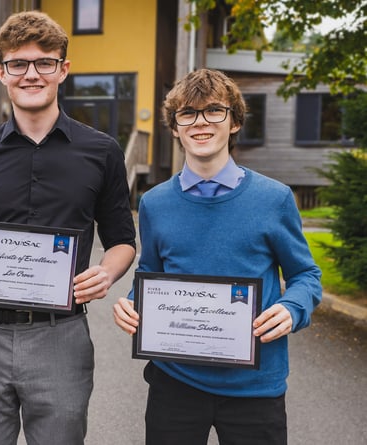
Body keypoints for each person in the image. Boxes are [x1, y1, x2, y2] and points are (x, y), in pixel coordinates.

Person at [0, 11, 136, 445]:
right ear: (1, 72)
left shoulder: (102, 152)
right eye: (18, 64)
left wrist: (106, 273)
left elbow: (122, 240)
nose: (31, 74)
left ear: (63, 69)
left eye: (44, 62)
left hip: (60, 335)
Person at [113, 68, 322, 444]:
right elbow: (151, 275)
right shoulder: (155, 203)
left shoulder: (274, 199)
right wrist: (132, 303)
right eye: (187, 114)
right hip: (175, 382)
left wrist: (293, 308)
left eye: (214, 111)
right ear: (175, 128)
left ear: (235, 121)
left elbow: (306, 275)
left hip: (255, 387)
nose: (200, 122)